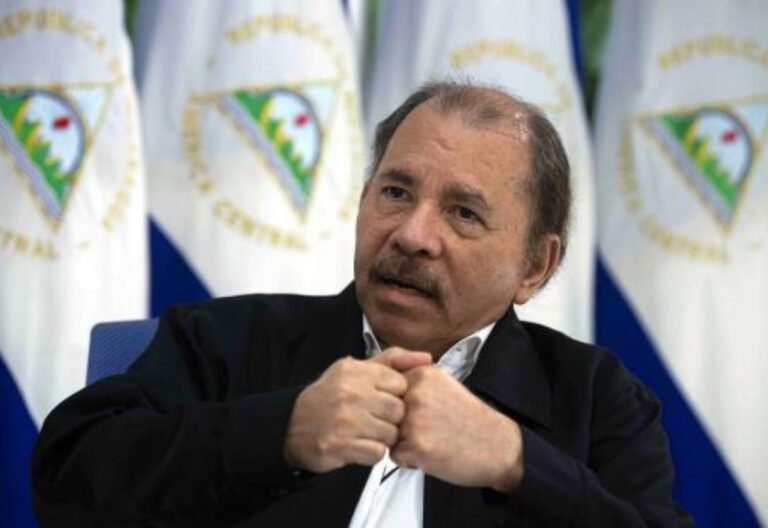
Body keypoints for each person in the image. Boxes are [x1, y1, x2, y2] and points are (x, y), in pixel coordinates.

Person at [32, 81, 691, 527]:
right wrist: (282, 432)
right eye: (396, 193)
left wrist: (516, 462)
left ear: (534, 266)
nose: (412, 235)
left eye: (463, 212)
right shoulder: (226, 339)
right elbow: (68, 478)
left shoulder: (597, 399)